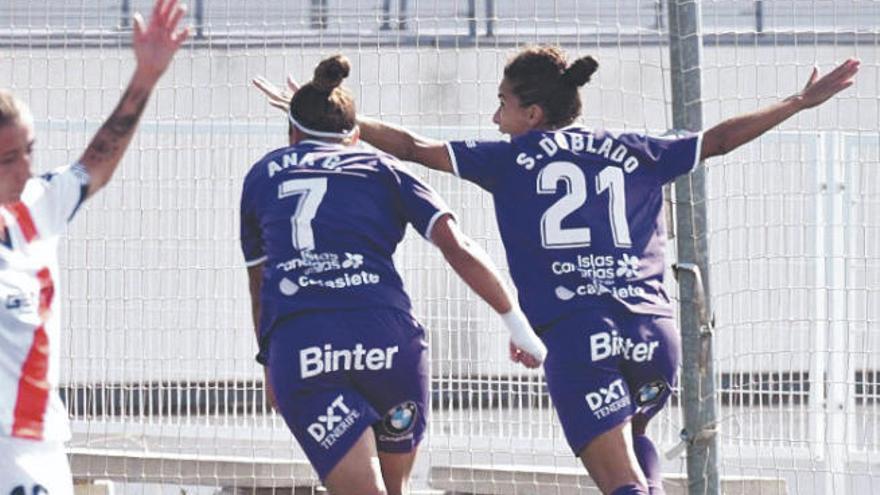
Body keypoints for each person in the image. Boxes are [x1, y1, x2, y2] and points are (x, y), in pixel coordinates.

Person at [254, 46, 859, 495]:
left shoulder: (511, 158)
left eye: (502, 104)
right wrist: (798, 102)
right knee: (637, 449)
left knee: (621, 483)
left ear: (533, 112)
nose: (495, 117)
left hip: (580, 334)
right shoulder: (639, 147)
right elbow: (718, 140)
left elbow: (412, 147)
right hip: (655, 335)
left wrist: (331, 126)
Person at [243, 55, 546, 495]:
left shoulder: (261, 176)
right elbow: (457, 245)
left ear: (291, 135)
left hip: (306, 348)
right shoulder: (384, 170)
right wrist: (518, 325)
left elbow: (260, 281)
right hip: (387, 344)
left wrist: (269, 360)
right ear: (357, 136)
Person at [0, 1, 190, 493]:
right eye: (7, 159)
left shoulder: (36, 208)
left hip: (41, 441)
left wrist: (146, 76)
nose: (24, 169)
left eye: (29, 151)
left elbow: (96, 163)